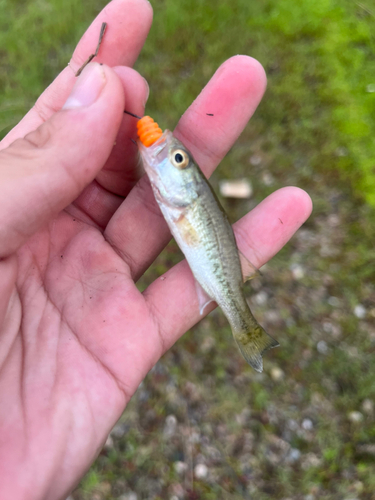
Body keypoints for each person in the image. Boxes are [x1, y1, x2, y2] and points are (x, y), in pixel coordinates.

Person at [0, 0, 312, 498]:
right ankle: (246, 329)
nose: (172, 151)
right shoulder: (169, 185)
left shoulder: (182, 196)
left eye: (180, 157)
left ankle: (246, 329)